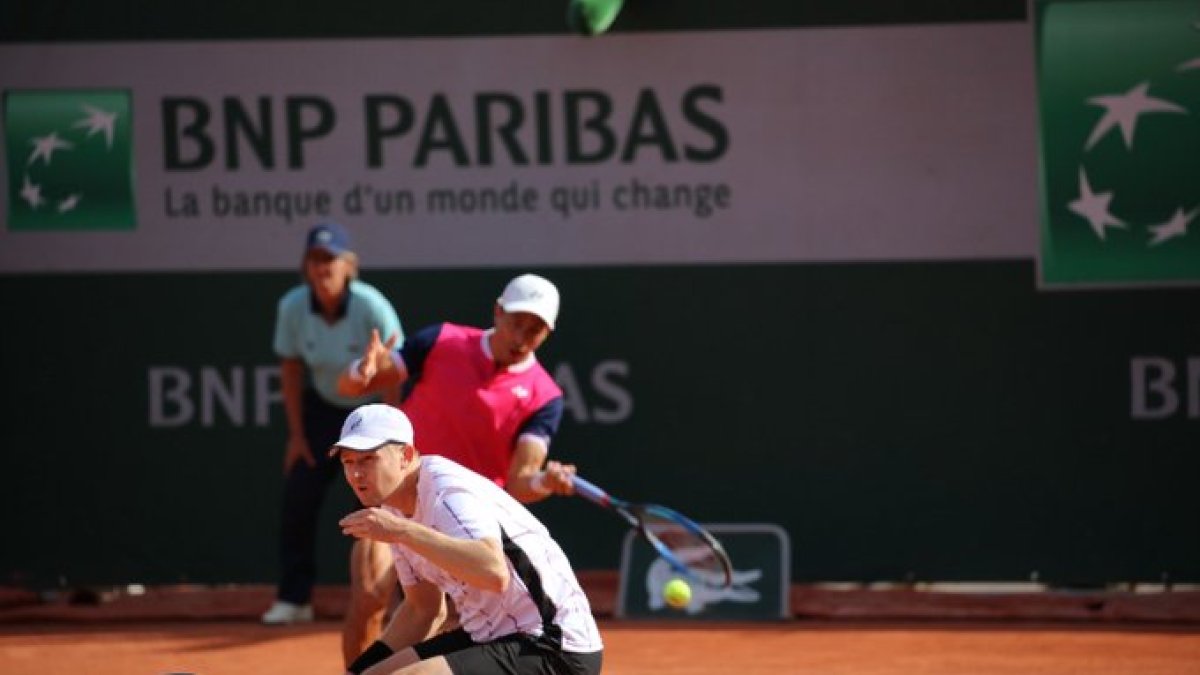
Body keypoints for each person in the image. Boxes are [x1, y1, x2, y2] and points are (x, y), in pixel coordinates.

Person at [335, 273, 578, 664]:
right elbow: (360, 382)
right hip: (398, 497)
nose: (522, 337)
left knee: (459, 629)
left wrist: (545, 480)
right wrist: (358, 373)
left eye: (535, 330)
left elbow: (520, 482)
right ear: (498, 311)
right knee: (369, 591)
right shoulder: (441, 340)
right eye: (517, 322)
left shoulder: (544, 395)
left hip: (469, 525)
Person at [333, 404, 603, 675]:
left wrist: (402, 531)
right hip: (487, 636)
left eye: (368, 459)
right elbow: (422, 610)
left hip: (553, 644)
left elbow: (493, 573)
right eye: (348, 462)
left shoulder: (444, 490)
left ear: (405, 455)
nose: (356, 474)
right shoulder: (392, 508)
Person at [260, 222, 405, 626]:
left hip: (371, 413)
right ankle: (294, 599)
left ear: (348, 266)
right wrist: (297, 435)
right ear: (305, 267)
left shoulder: (371, 305)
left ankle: (396, 602)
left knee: (382, 507)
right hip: (321, 411)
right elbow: (290, 368)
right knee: (298, 500)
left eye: (329, 260)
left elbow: (396, 368)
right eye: (314, 260)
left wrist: (391, 434)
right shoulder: (293, 306)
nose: (322, 268)